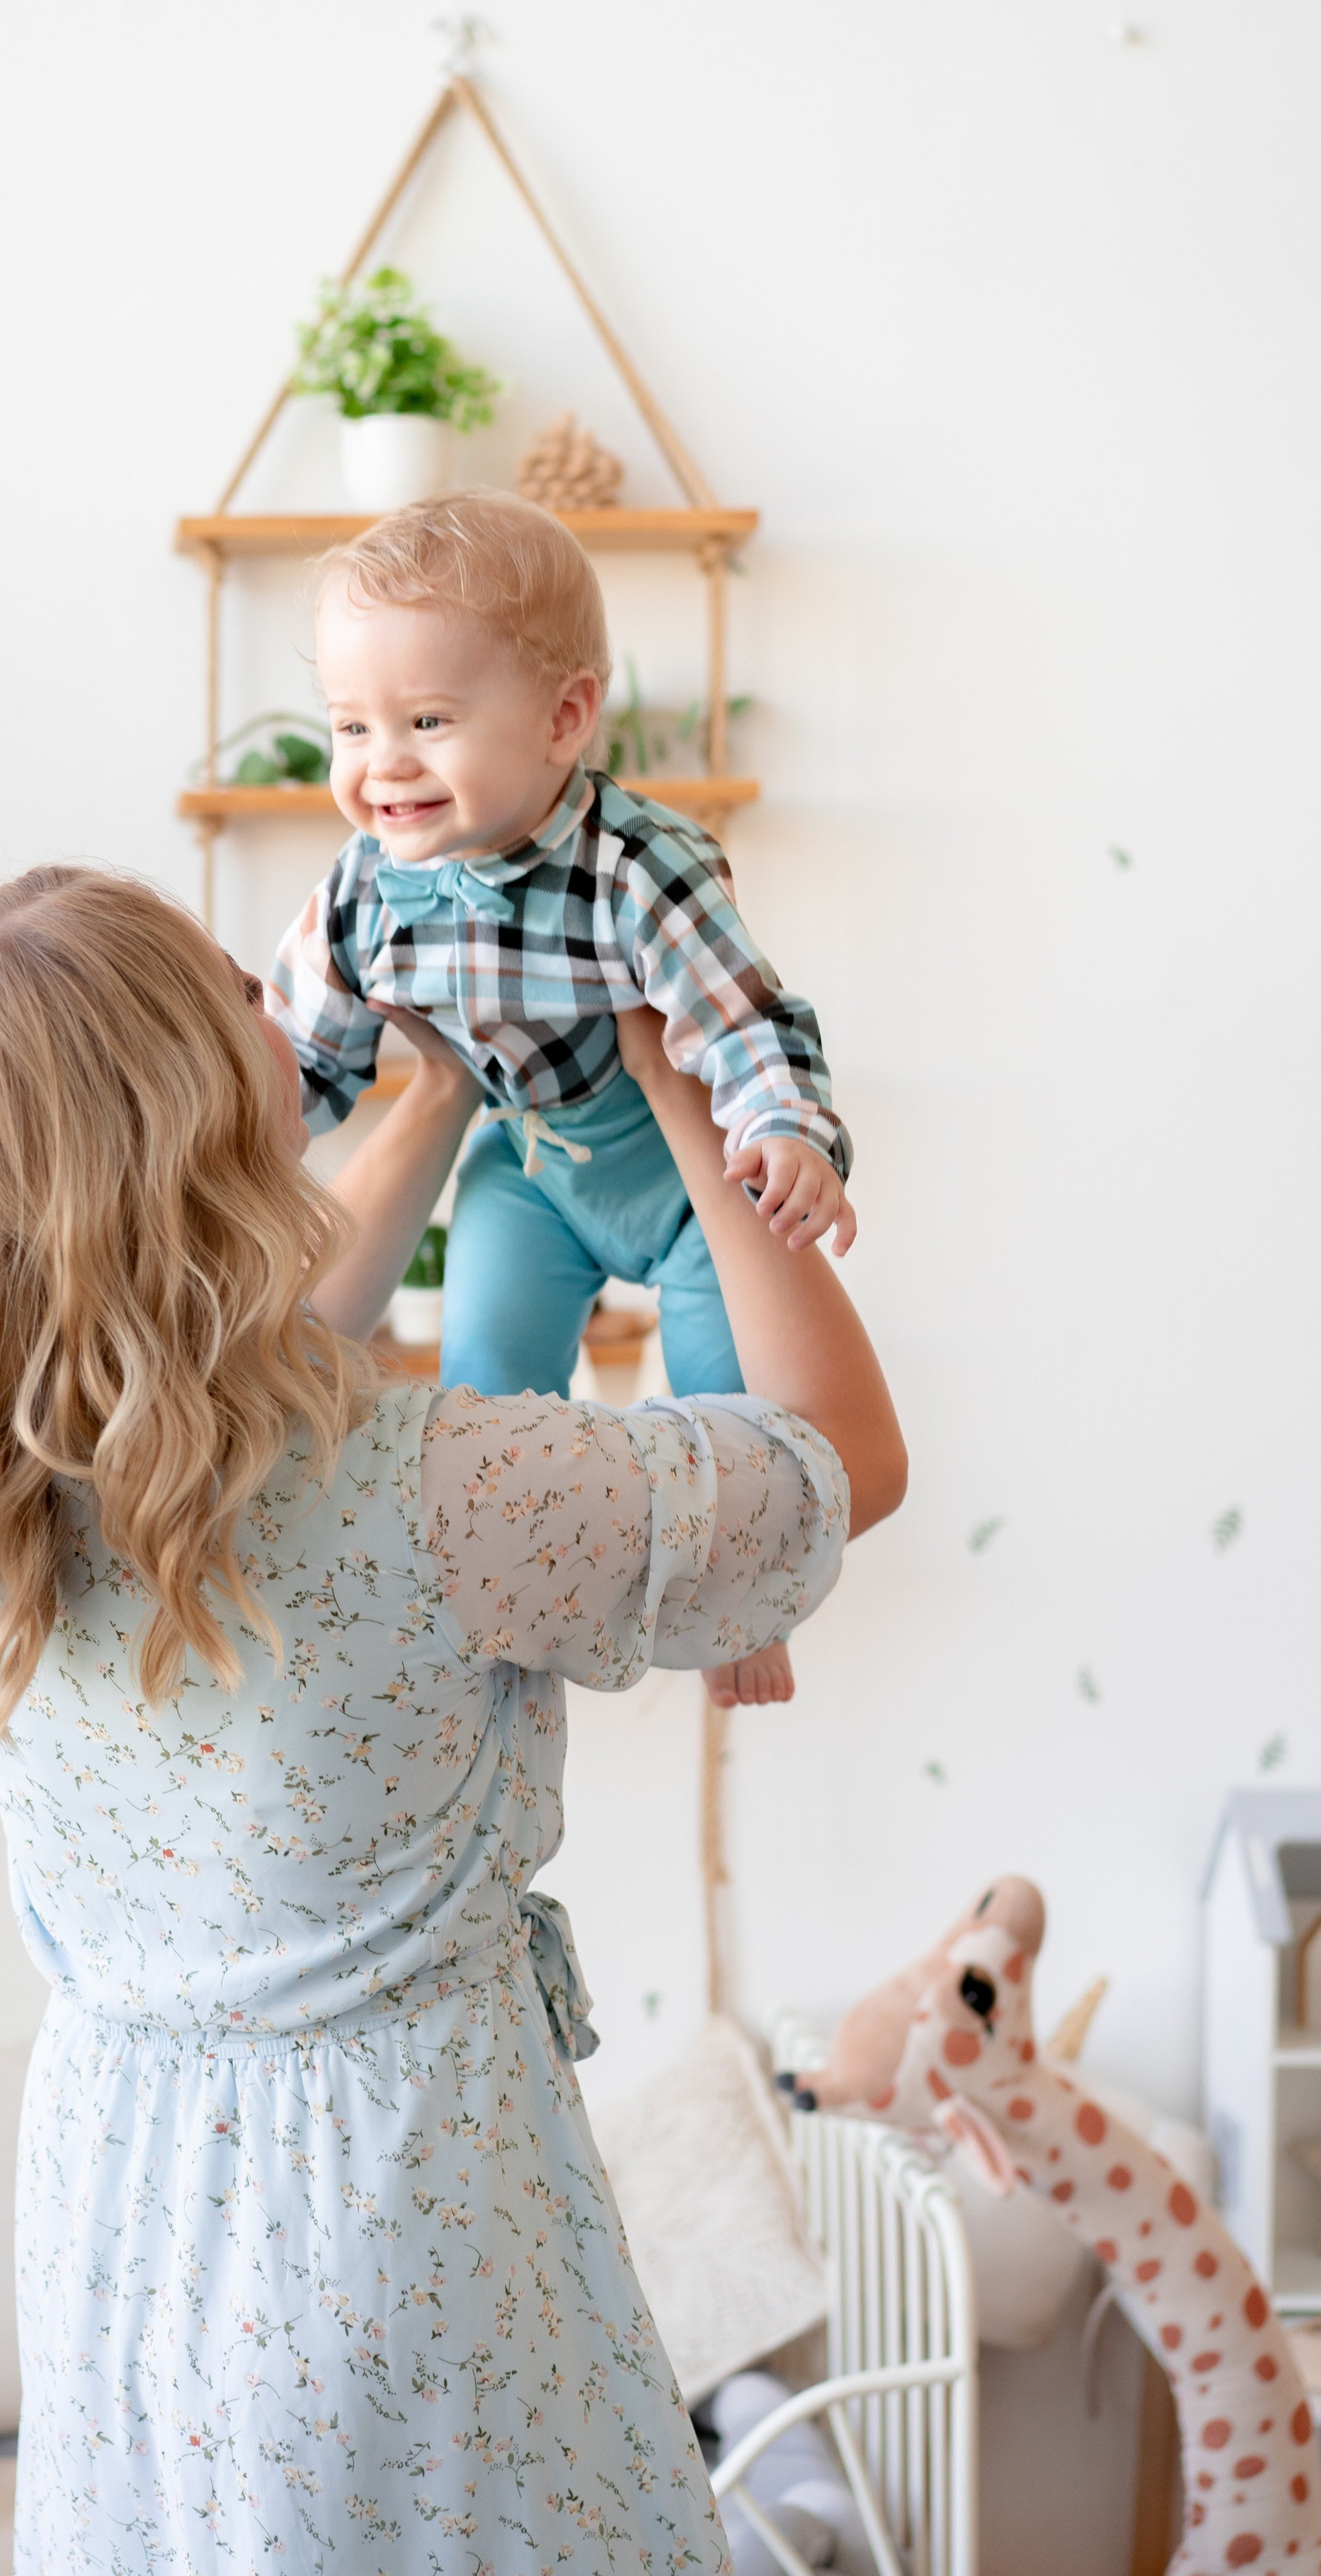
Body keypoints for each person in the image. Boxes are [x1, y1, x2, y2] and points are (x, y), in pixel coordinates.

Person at [0, 867, 904, 2574]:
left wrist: (430, 1090)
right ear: (203, 1115)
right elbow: (835, 1460)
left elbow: (256, 1352)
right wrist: (684, 1091)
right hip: (394, 2224)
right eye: (237, 984)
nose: (290, 980)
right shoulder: (447, 1492)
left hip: (128, 2216)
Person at [273, 490, 853, 1713]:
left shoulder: (635, 865)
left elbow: (744, 1023)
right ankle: (508, 1594)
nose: (383, 765)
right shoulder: (367, 891)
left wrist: (786, 1132)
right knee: (487, 1383)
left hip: (681, 1175)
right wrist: (225, 1139)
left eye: (427, 720)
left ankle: (735, 1598)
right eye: (352, 726)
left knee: (722, 1389)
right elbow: (303, 1064)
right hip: (531, 1164)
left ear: (564, 716)